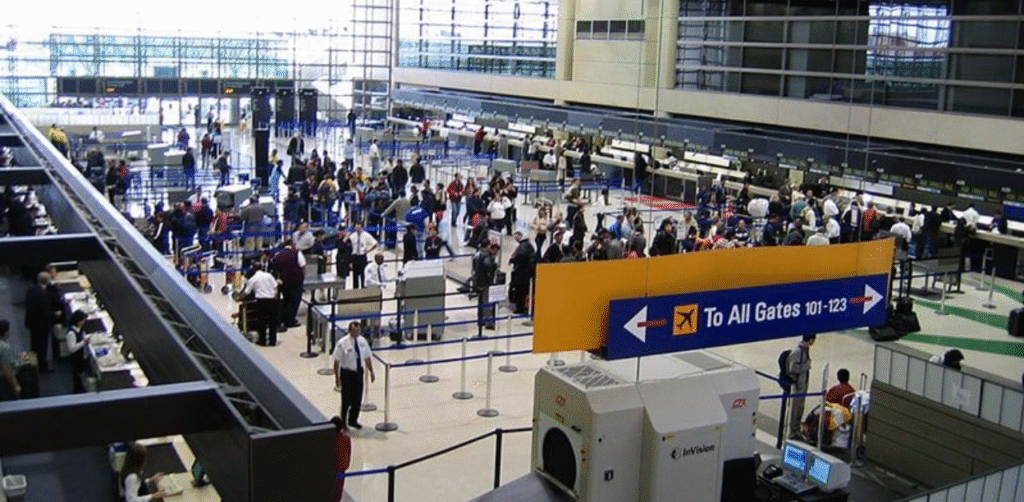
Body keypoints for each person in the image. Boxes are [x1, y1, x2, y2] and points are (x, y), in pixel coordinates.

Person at [332, 322, 375, 430]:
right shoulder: (343, 343)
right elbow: (336, 361)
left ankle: (353, 420)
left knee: (357, 399)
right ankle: (343, 422)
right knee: (346, 399)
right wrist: (337, 378)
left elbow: (367, 357)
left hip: (358, 373)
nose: (357, 333)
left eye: (358, 330)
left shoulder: (362, 341)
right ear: (350, 330)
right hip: (347, 373)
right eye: (354, 330)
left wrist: (371, 371)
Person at [239, 262, 280, 346]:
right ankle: (273, 341)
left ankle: (263, 341)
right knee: (272, 322)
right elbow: (275, 286)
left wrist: (239, 298)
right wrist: (275, 296)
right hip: (272, 301)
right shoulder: (269, 275)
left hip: (261, 302)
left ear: (254, 268)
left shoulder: (253, 279)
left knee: (262, 322)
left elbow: (246, 292)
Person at [25, 272, 60, 372]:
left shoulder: (31, 290)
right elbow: (45, 311)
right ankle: (42, 367)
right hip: (42, 324)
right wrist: (55, 314)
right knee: (42, 346)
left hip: (31, 322)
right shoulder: (43, 294)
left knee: (34, 344)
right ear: (47, 280)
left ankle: (33, 365)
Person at [269, 239, 306, 330]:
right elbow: (303, 266)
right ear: (292, 244)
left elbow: (274, 266)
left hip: (283, 281)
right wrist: (302, 277)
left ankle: (284, 319)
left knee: (286, 300)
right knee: (294, 301)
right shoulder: (297, 253)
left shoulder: (278, 254)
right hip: (296, 281)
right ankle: (290, 320)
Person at [786, 333, 816, 439]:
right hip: (798, 385)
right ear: (811, 340)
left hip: (802, 384)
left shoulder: (805, 350)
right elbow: (792, 368)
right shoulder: (798, 352)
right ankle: (793, 432)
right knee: (795, 409)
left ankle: (797, 430)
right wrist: (806, 366)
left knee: (800, 409)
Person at [64, 310, 93, 392]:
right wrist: (84, 342)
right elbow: (72, 348)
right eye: (83, 320)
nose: (84, 322)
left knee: (80, 375)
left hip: (81, 357)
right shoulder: (71, 333)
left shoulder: (79, 329)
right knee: (77, 377)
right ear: (78, 321)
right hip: (76, 359)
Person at [474, 242, 499, 331]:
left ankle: (481, 319)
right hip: (485, 282)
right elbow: (489, 266)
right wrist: (494, 262)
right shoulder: (486, 256)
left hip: (479, 281)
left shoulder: (478, 253)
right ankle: (489, 322)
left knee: (481, 301)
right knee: (487, 301)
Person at [509, 231, 536, 314]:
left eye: (516, 237)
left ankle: (520, 308)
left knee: (520, 291)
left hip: (522, 274)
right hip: (528, 272)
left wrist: (513, 261)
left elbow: (520, 259)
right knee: (525, 291)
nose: (516, 239)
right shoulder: (528, 245)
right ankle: (525, 306)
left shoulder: (523, 247)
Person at [348, 223, 378, 289]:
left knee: (363, 275)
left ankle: (363, 289)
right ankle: (355, 290)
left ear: (362, 227)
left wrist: (368, 250)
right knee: (355, 276)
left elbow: (375, 243)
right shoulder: (352, 236)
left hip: (362, 257)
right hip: (355, 257)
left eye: (359, 228)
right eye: (356, 228)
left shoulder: (366, 235)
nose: (357, 229)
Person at [0, 320, 20, 401]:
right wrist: (15, 385)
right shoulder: (4, 347)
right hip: (4, 382)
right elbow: (7, 369)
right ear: (5, 332)